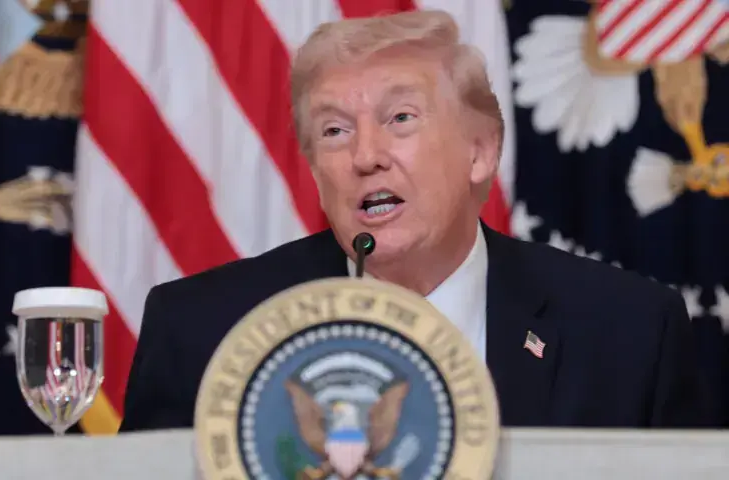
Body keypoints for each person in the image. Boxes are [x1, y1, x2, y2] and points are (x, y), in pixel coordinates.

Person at [119, 10, 716, 431]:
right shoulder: (201, 331)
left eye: (400, 117)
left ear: (480, 151)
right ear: (314, 170)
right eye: (334, 131)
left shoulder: (630, 333)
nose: (365, 155)